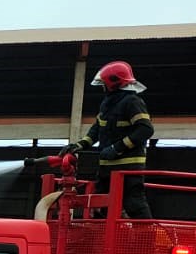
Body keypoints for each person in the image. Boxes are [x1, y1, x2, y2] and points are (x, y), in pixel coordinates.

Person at [62, 60, 155, 219]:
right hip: (106, 168)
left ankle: (147, 241)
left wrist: (117, 148)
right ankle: (104, 240)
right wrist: (79, 145)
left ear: (114, 83)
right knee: (100, 206)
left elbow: (145, 129)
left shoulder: (132, 102)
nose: (102, 88)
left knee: (134, 205)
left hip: (129, 168)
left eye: (104, 84)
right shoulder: (107, 104)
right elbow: (97, 129)